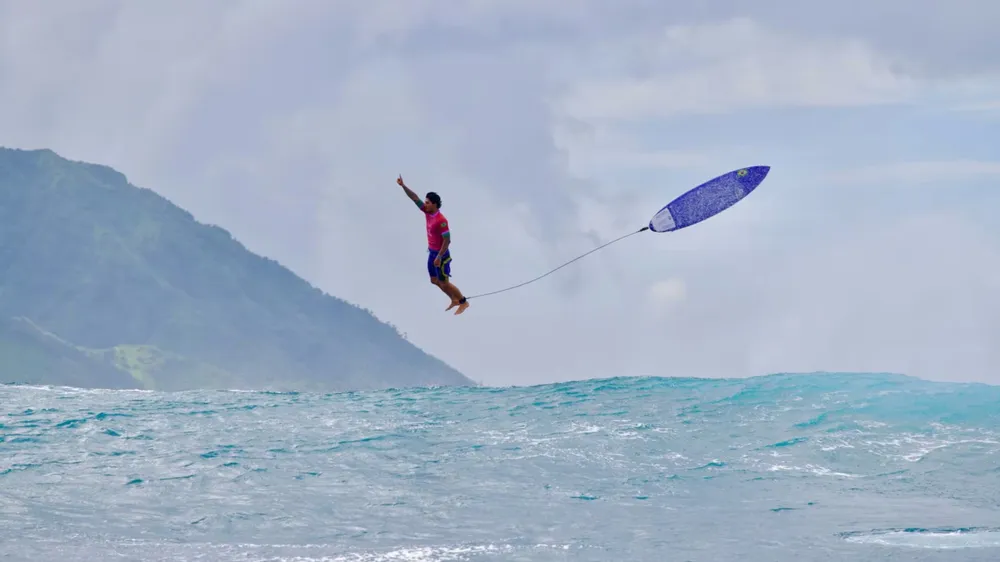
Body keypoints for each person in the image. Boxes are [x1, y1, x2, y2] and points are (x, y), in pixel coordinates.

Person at [396, 175, 470, 315]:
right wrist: (403, 186)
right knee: (434, 280)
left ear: (435, 204)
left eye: (428, 202)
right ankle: (453, 299)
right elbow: (414, 198)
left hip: (441, 255)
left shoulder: (441, 220)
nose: (425, 204)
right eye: (426, 202)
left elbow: (447, 240)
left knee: (444, 283)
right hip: (432, 252)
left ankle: (463, 301)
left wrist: (439, 256)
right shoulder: (427, 212)